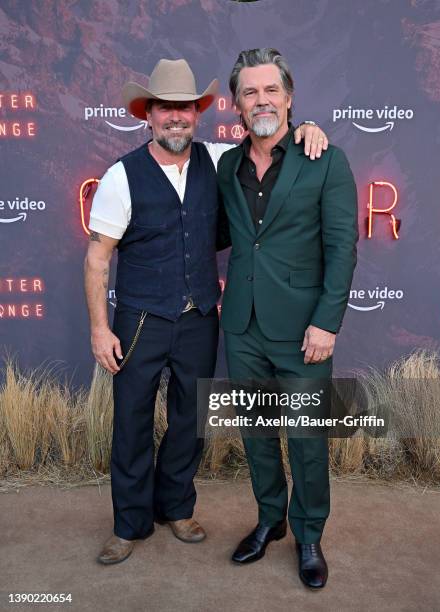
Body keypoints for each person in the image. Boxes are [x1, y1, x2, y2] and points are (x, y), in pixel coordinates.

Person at [84, 57, 329, 565]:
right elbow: (97, 258)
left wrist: (304, 126)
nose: (176, 118)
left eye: (185, 109)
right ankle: (129, 524)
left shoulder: (219, 160)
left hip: (200, 317)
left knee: (189, 420)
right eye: (165, 109)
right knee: (131, 422)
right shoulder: (120, 176)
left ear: (199, 114)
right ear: (147, 114)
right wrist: (99, 328)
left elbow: (268, 144)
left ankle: (176, 506)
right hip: (140, 320)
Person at [217, 48, 358, 589]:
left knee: (306, 438)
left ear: (289, 97)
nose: (261, 100)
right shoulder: (227, 165)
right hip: (242, 326)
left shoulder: (326, 159)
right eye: (249, 92)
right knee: (255, 434)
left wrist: (327, 322)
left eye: (270, 90)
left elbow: (342, 247)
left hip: (303, 330)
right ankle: (270, 520)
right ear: (236, 104)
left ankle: (309, 535)